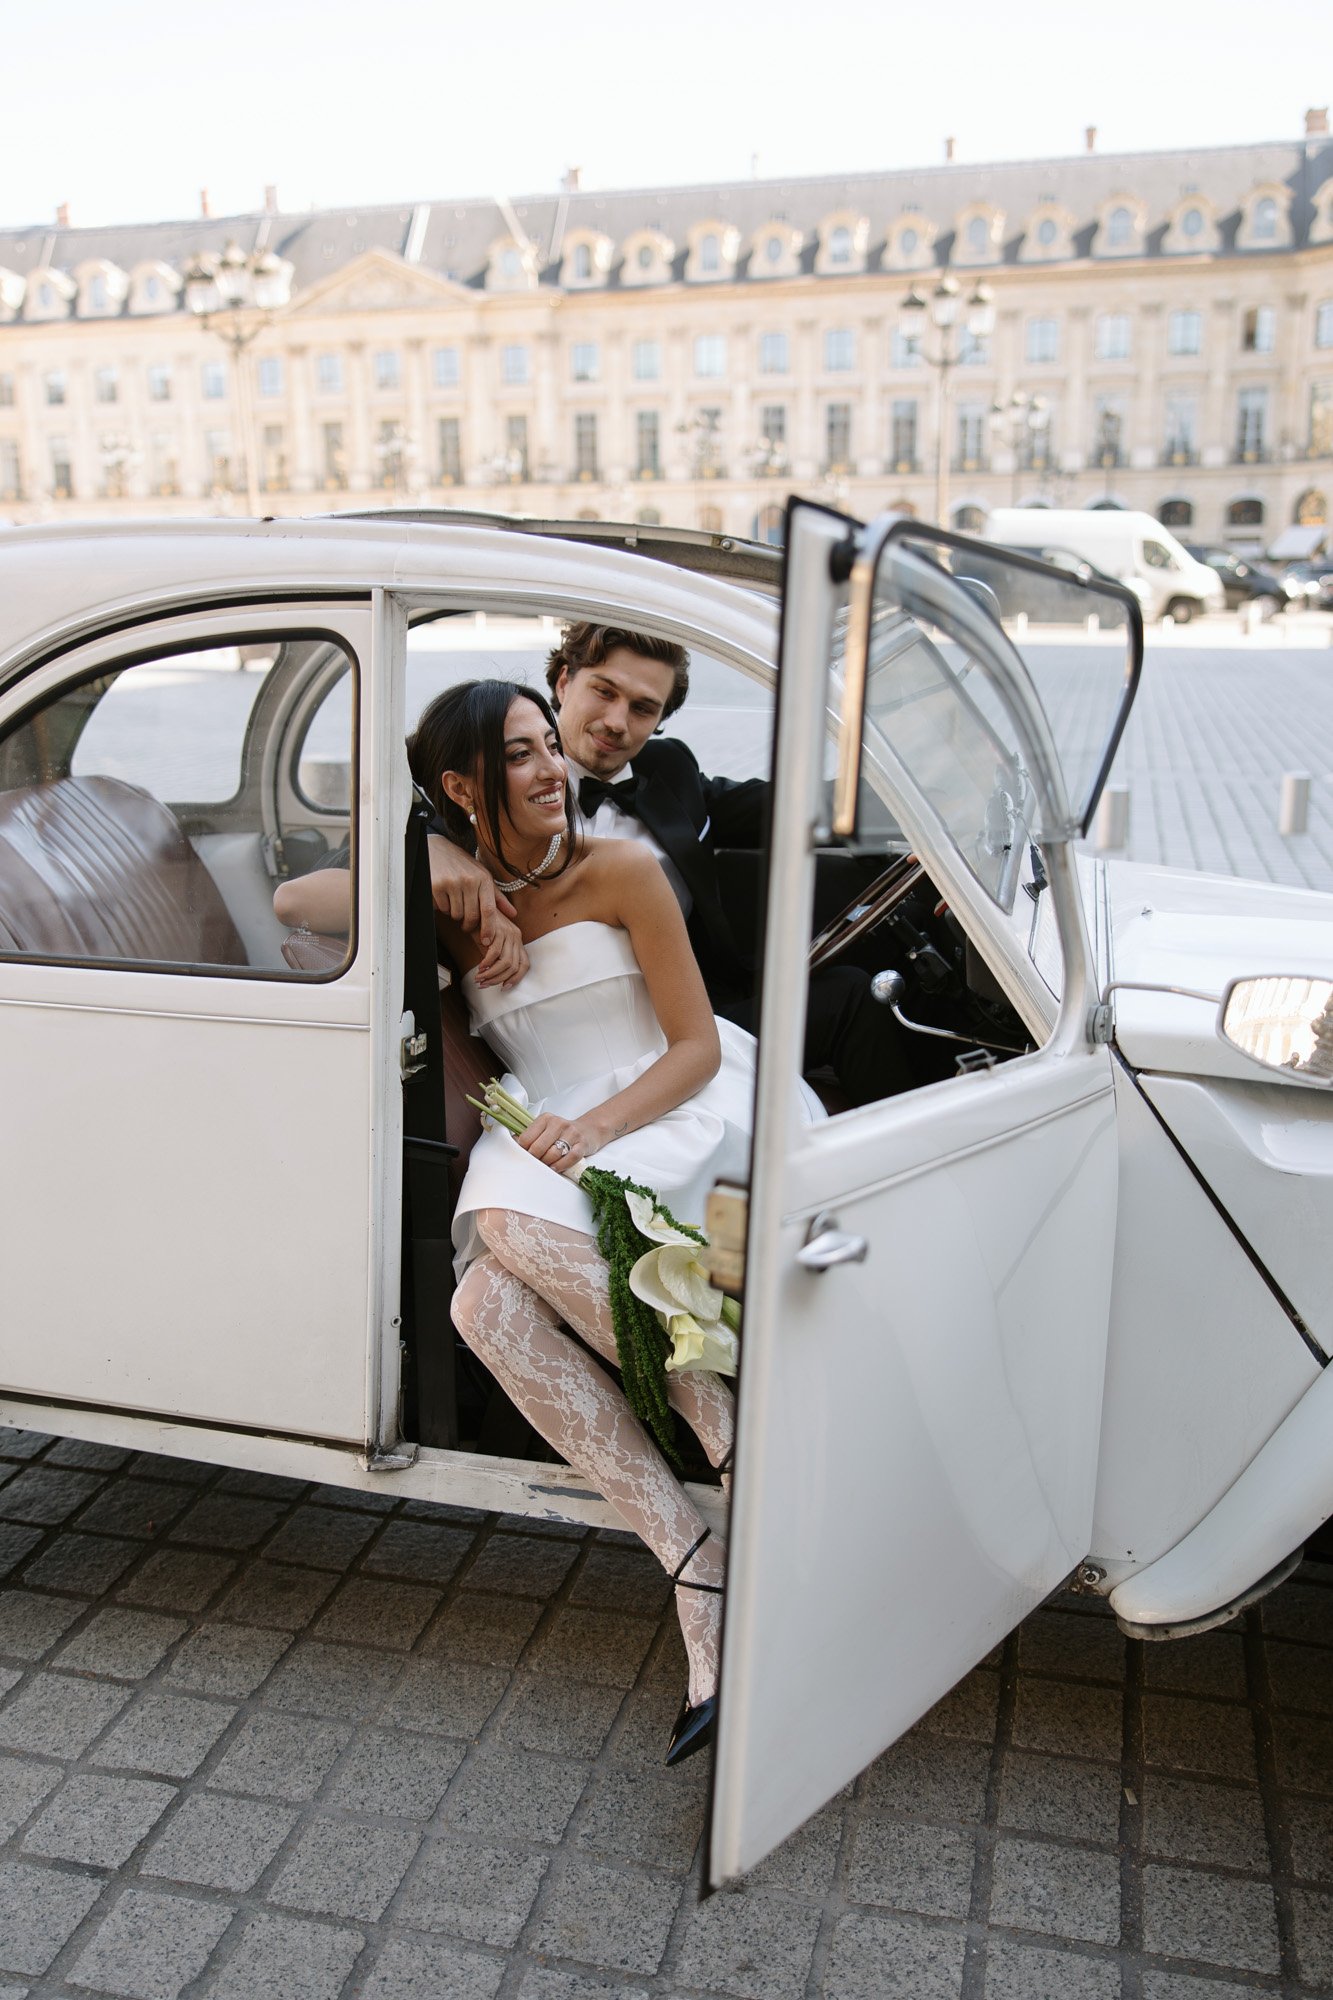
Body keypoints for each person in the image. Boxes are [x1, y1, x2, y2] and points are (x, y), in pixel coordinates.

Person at [410, 677, 824, 1767]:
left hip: (668, 1106)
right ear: (462, 784)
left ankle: (736, 1444)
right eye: (519, 754)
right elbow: (297, 905)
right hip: (545, 1132)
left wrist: (593, 1129)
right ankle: (696, 1562)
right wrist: (430, 858)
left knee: (495, 1243)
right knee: (479, 1305)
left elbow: (693, 1043)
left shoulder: (623, 868)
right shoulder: (455, 897)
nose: (553, 767)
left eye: (552, 745)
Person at [429, 621, 914, 1105]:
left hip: (694, 1013)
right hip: (567, 1053)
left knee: (856, 993)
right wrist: (433, 847)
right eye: (604, 691)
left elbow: (788, 805)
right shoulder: (489, 779)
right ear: (563, 682)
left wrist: (921, 809)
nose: (618, 722)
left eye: (643, 709)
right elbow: (393, 805)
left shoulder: (670, 773)